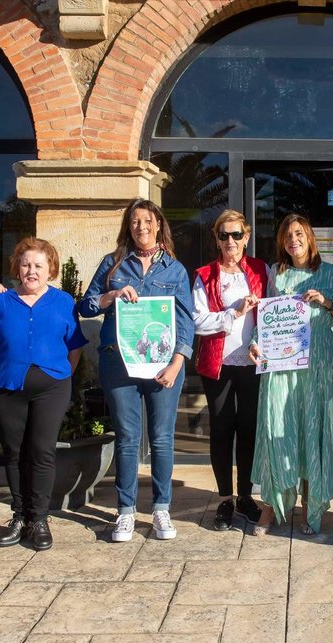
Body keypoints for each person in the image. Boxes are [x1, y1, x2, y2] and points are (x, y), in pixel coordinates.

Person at [78, 198, 194, 542]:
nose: (140, 227)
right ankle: (125, 512)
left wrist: (177, 363)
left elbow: (186, 323)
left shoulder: (174, 269)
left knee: (161, 439)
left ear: (159, 224)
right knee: (128, 439)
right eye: (134, 222)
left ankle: (161, 509)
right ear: (128, 227)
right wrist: (110, 296)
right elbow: (85, 305)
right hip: (119, 362)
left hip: (164, 365)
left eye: (147, 221)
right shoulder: (112, 265)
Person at [0, 237, 86, 550]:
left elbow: (74, 348)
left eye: (38, 265)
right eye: (25, 265)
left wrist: (61, 376)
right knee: (15, 452)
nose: (31, 271)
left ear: (50, 269)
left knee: (42, 451)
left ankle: (39, 519)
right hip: (6, 387)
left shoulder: (63, 301)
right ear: (17, 269)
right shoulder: (0, 302)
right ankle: (19, 516)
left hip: (51, 388)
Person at [250, 213, 333, 536]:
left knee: (313, 429)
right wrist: (256, 343)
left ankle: (311, 503)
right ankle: (270, 504)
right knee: (277, 428)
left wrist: (328, 302)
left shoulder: (330, 273)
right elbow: (269, 318)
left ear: (309, 237)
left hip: (319, 364)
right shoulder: (278, 274)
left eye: (298, 233)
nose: (293, 239)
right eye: (287, 235)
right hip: (282, 366)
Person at [192, 209, 267, 530]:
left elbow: (272, 311)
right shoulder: (205, 274)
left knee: (249, 430)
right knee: (222, 431)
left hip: (252, 362)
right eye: (224, 235)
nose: (231, 241)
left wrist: (261, 340)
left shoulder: (262, 271)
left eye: (237, 234)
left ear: (246, 237)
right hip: (218, 363)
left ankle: (246, 496)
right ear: (216, 239)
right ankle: (225, 499)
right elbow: (197, 320)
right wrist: (233, 313)